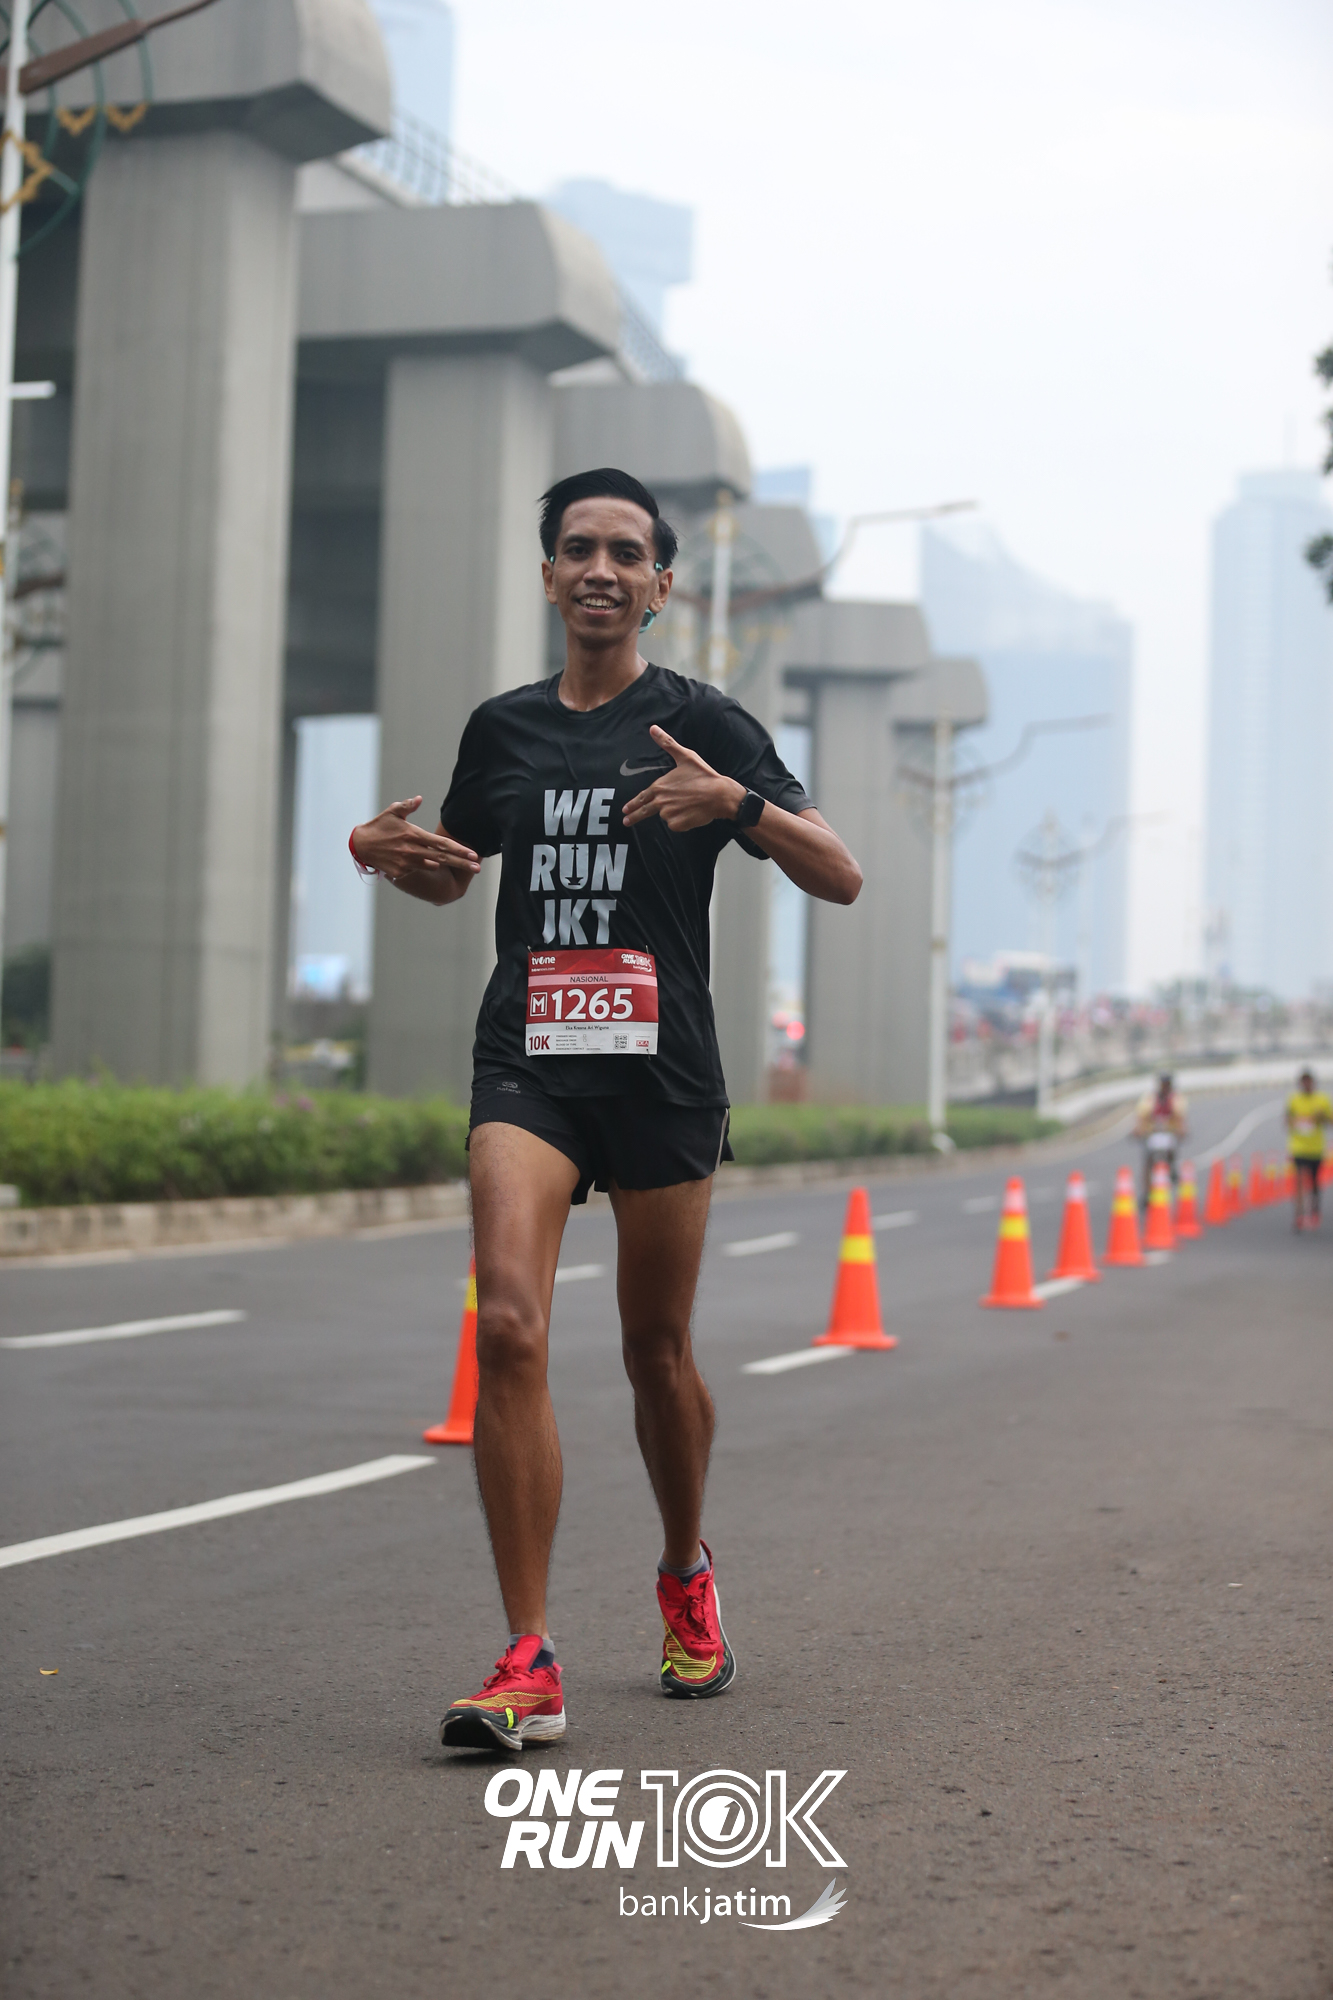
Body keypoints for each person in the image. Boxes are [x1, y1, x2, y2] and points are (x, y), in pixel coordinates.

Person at [349, 467, 862, 1751]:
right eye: (577, 547)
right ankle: (528, 1655)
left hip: (661, 1071)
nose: (599, 568)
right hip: (528, 1059)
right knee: (508, 1324)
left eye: (625, 552)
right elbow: (452, 872)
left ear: (659, 585)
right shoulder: (503, 731)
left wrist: (736, 802)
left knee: (655, 1351)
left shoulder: (704, 723)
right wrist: (381, 855)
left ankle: (684, 1568)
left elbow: (842, 873)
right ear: (547, 575)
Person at [1132, 1072, 1188, 1210]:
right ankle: (1146, 1193)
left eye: (1167, 1084)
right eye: (1163, 1084)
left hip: (1169, 1132)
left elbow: (1180, 1117)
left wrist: (1181, 1130)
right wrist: (1138, 1130)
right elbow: (1141, 1116)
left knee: (1172, 1150)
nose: (1165, 1087)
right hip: (1152, 1133)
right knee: (1148, 1161)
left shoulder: (1176, 1098)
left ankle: (1172, 1166)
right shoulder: (1150, 1098)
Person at [1285, 1067, 1331, 1231]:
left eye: (1309, 1081)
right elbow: (1287, 1121)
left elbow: (1330, 1121)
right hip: (1298, 1147)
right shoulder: (1293, 1099)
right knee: (1298, 1180)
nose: (1306, 1084)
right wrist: (1297, 1121)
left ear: (1313, 1083)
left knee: (1314, 1182)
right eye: (1304, 1082)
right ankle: (1299, 1215)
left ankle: (1314, 1212)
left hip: (1316, 1148)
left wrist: (1320, 1117)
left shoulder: (1322, 1100)